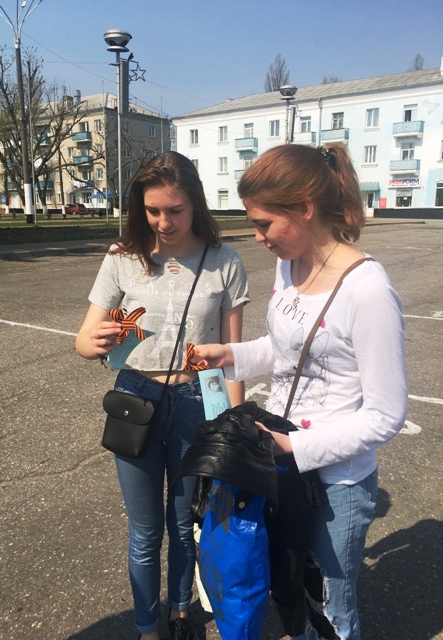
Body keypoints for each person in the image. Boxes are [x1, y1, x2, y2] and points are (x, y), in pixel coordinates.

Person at [188, 144, 407, 640]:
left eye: (264, 223)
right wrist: (229, 354)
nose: (257, 236)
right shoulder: (290, 264)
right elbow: (287, 348)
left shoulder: (368, 290)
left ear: (304, 208)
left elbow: (386, 415)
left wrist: (296, 446)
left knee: (329, 608)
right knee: (289, 588)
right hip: (283, 462)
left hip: (335, 481)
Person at [75, 151, 249, 640]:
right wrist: (96, 342)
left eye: (175, 210)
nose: (164, 221)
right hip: (136, 400)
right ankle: (147, 627)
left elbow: (232, 356)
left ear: (195, 203)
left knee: (184, 525)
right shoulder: (122, 257)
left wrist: (234, 426)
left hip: (198, 400)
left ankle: (180, 612)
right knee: (145, 530)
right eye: (153, 210)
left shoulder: (224, 261)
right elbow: (83, 340)